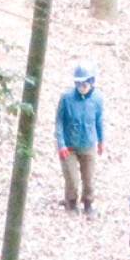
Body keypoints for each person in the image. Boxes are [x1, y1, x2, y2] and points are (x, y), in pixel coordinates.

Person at [54, 62, 104, 214]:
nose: (82, 86)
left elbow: (99, 120)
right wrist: (61, 143)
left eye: (85, 82)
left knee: (89, 179)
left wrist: (101, 140)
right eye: (78, 83)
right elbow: (59, 121)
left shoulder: (97, 98)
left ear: (92, 82)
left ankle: (88, 203)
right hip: (69, 145)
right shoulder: (66, 98)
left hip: (88, 144)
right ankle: (71, 202)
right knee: (72, 179)